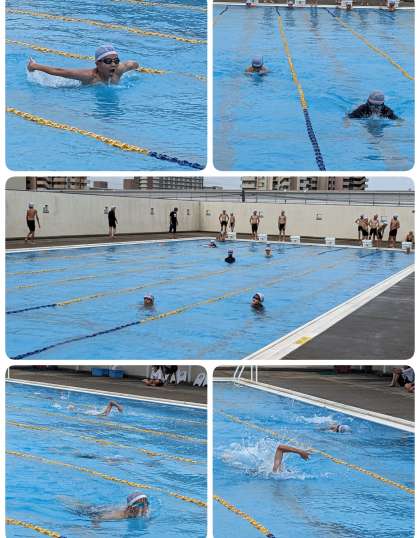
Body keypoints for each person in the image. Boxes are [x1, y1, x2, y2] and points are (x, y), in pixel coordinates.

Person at [27, 44, 139, 85]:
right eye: (108, 61)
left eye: (116, 61)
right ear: (98, 63)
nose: (113, 64)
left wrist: (136, 67)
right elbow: (60, 71)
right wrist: (34, 66)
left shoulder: (119, 70)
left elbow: (133, 64)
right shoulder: (89, 76)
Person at [66, 492, 149, 522]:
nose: (145, 507)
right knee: (75, 505)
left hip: (103, 508)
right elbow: (97, 517)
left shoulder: (145, 511)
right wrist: (96, 528)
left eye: (147, 503)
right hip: (89, 512)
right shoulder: (120, 516)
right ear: (131, 508)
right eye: (141, 505)